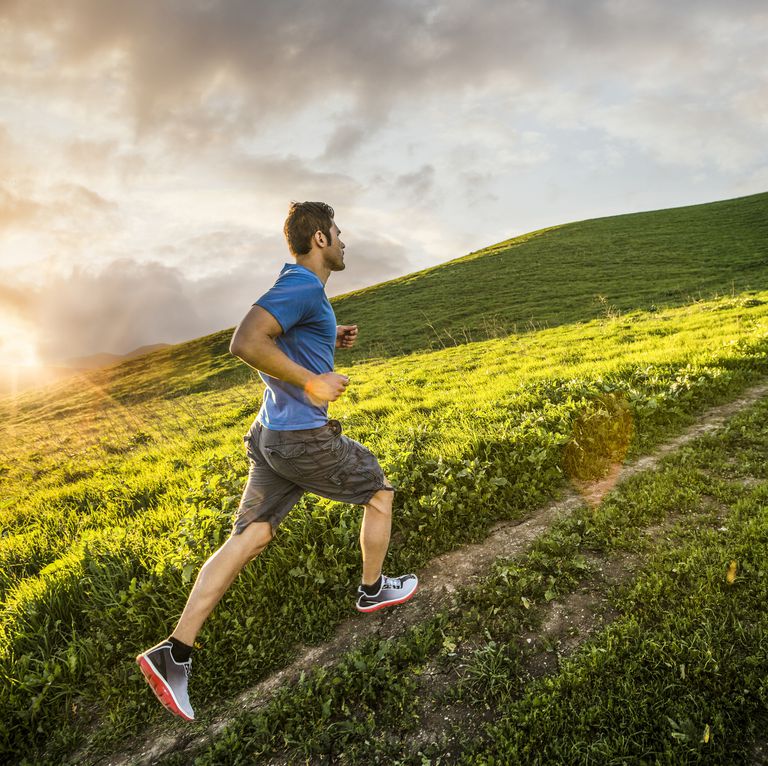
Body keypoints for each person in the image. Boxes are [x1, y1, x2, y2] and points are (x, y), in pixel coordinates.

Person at [136, 201, 418, 721]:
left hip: (271, 435)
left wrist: (327, 336)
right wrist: (312, 382)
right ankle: (373, 590)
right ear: (319, 238)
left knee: (252, 535)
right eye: (338, 232)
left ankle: (174, 652)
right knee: (379, 493)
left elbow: (279, 335)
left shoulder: (302, 290)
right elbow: (245, 341)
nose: (344, 241)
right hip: (301, 439)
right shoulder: (304, 285)